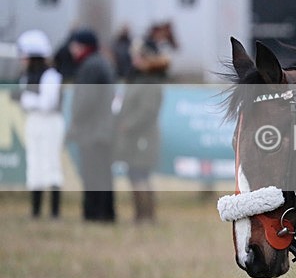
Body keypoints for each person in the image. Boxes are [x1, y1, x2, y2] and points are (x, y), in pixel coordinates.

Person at [114, 22, 175, 223]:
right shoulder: (139, 79)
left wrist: (128, 125)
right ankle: (140, 215)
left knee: (141, 175)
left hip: (143, 137)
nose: (135, 59)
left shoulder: (150, 81)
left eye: (138, 56)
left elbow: (147, 112)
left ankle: (146, 216)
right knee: (134, 175)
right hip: (135, 137)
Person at [13, 30, 65, 220]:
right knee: (34, 164)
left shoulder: (50, 76)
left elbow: (47, 103)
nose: (22, 59)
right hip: (34, 121)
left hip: (50, 122)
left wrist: (25, 99)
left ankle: (54, 212)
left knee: (51, 164)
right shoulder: (27, 76)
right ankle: (36, 211)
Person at [66, 28, 116, 223]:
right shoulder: (101, 62)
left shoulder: (90, 66)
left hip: (92, 131)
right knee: (103, 174)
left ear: (82, 46)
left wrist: (75, 123)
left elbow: (85, 101)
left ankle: (94, 214)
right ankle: (106, 213)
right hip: (103, 130)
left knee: (92, 175)